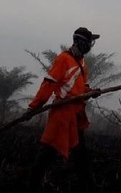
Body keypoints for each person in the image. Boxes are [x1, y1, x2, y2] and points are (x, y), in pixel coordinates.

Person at [26, 27, 101, 192]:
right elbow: (48, 84)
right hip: (61, 117)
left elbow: (82, 90)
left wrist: (92, 92)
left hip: (75, 116)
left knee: (81, 157)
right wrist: (33, 107)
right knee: (46, 156)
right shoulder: (63, 60)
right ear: (81, 42)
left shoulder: (82, 63)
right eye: (89, 42)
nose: (91, 45)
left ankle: (89, 186)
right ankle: (32, 186)